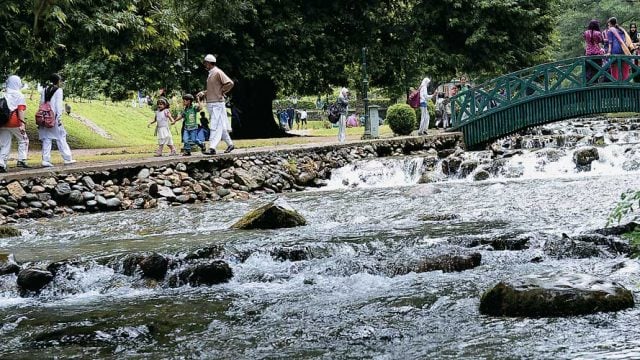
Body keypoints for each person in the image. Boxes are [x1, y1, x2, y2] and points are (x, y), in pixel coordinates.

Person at [197, 54, 234, 155]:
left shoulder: (217, 72)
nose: (204, 64)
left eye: (205, 63)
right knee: (220, 125)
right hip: (212, 102)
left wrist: (222, 91)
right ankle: (230, 144)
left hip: (217, 103)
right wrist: (204, 93)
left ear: (209, 63)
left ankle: (212, 147)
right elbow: (213, 89)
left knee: (215, 125)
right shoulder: (210, 74)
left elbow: (230, 83)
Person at [39, 73, 76, 167]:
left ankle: (45, 160)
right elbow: (58, 105)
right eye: (60, 80)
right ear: (58, 81)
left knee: (47, 138)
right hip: (53, 117)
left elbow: (41, 103)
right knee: (61, 137)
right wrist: (58, 118)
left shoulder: (44, 89)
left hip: (45, 116)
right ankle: (67, 158)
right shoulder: (59, 90)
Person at [1, 75, 30, 170]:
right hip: (14, 121)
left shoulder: (2, 93)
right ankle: (22, 160)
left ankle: (1, 164)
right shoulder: (19, 95)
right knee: (23, 140)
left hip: (2, 122)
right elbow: (21, 110)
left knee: (4, 143)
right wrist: (22, 123)